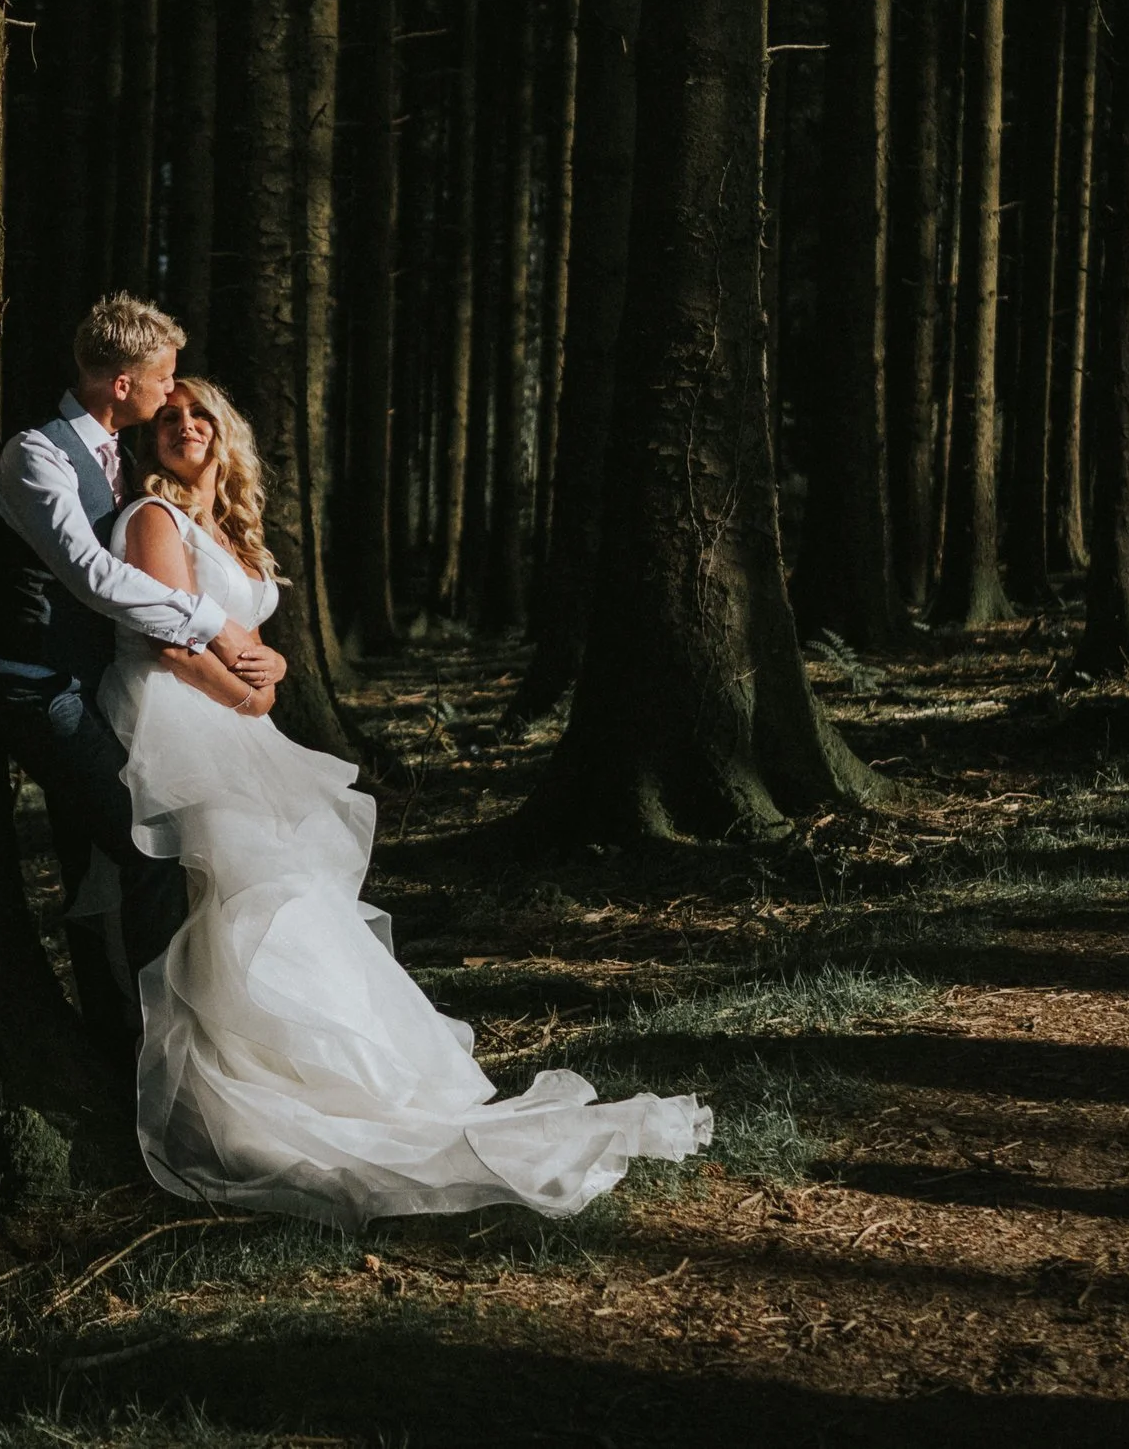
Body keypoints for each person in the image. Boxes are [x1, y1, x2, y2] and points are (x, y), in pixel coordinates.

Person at [104, 377, 711, 1228]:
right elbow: (169, 638)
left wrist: (272, 671)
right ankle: (242, 1089)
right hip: (182, 722)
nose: (186, 426)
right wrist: (250, 697)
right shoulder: (153, 521)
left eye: (200, 414)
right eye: (169, 418)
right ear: (149, 441)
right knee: (236, 890)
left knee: (291, 893)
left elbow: (243, 636)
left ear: (226, 434)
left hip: (237, 727)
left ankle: (353, 1075)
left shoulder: (229, 532)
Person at [0, 294, 285, 1060]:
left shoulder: (129, 461)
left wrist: (265, 656)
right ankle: (159, 1049)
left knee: (93, 864)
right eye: (163, 378)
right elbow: (89, 575)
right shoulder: (36, 456)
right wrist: (210, 624)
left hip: (107, 686)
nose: (169, 394)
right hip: (44, 686)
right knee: (150, 844)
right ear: (123, 384)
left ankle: (111, 1038)